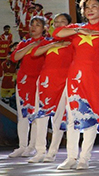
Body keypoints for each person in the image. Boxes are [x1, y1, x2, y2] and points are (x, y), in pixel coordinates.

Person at [52, 0, 99, 170]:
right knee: (73, 117)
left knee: (91, 115)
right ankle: (71, 157)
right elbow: (56, 34)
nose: (90, 10)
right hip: (75, 77)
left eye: (94, 6)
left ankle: (84, 158)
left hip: (96, 77)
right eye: (86, 7)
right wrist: (79, 31)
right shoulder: (76, 28)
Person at [27, 13, 73, 163]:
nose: (59, 25)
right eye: (56, 22)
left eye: (63, 22)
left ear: (69, 25)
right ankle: (40, 151)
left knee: (58, 119)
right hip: (45, 82)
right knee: (41, 117)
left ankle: (51, 152)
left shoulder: (73, 42)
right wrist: (53, 44)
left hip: (63, 83)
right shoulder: (48, 42)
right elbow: (34, 53)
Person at [8, 16, 47, 159]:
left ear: (44, 29)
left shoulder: (47, 43)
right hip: (24, 82)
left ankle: (33, 146)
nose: (34, 27)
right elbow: (14, 58)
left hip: (38, 82)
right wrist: (30, 45)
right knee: (23, 115)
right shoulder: (24, 43)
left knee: (36, 116)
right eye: (32, 24)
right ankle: (22, 146)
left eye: (38, 25)